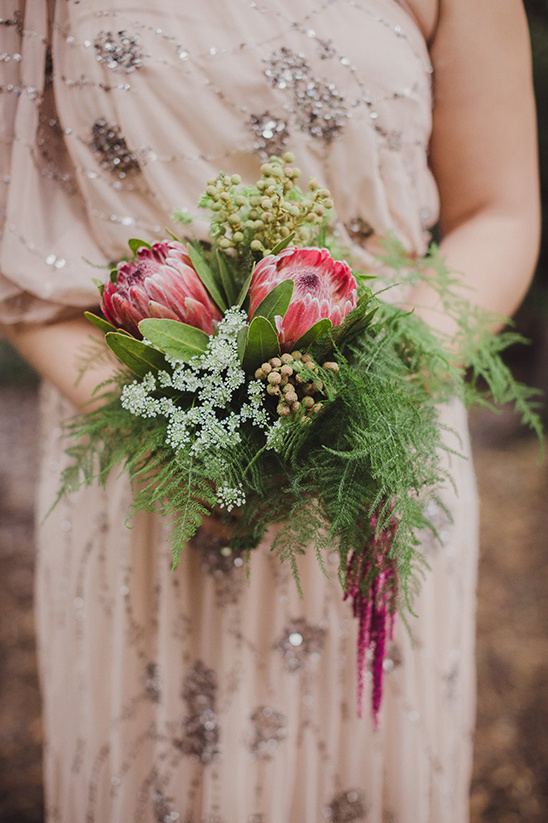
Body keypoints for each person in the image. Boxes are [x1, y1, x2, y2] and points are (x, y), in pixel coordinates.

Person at [0, 1, 539, 821]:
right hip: (148, 473)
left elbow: (498, 209)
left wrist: (372, 395)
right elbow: (17, 260)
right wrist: (171, 430)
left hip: (376, 475)